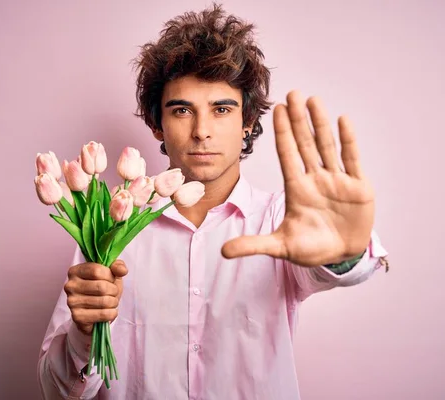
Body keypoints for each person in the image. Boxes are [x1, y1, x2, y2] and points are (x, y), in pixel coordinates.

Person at [37, 3, 389, 399]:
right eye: (182, 110)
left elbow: (328, 264)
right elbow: (58, 391)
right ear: (157, 124)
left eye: (222, 110)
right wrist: (84, 333)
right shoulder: (109, 227)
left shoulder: (280, 221)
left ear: (247, 123)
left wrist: (342, 254)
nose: (202, 131)